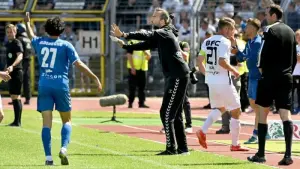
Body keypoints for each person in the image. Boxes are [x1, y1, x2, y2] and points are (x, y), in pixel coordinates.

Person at [24, 13, 102, 165]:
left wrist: (27, 22)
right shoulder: (66, 45)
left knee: (46, 122)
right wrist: (95, 77)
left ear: (46, 29)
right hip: (61, 85)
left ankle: (48, 158)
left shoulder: (40, 42)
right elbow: (79, 64)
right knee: (67, 120)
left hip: (44, 84)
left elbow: (31, 35)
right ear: (61, 30)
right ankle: (64, 148)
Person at [111, 7, 190, 155]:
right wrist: (126, 46)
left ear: (162, 20)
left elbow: (146, 34)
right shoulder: (164, 34)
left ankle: (171, 148)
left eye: (155, 16)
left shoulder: (164, 32)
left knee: (166, 113)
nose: (152, 18)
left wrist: (124, 34)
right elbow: (146, 44)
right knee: (175, 114)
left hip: (177, 76)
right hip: (176, 76)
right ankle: (182, 148)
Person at [247, 5, 296, 165]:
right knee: (285, 114)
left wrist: (262, 71)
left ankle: (261, 154)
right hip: (286, 76)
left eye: (267, 14)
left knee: (263, 112)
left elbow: (262, 54)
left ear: (274, 15)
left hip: (269, 76)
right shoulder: (290, 31)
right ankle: (288, 155)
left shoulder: (269, 30)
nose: (265, 17)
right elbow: (294, 57)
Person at [196, 17, 249, 151]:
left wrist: (206, 74)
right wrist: (234, 70)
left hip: (212, 81)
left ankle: (202, 130)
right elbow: (222, 61)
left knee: (221, 108)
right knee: (236, 110)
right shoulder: (224, 42)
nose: (234, 31)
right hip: (223, 81)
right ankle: (235, 144)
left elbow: (199, 60)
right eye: (232, 29)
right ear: (226, 29)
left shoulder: (207, 41)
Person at [160, 40, 193, 134]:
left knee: (185, 101)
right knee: (169, 100)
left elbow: (186, 56)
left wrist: (175, 48)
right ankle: (168, 124)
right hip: (171, 75)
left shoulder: (183, 44)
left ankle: (189, 125)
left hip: (182, 75)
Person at [5, 24, 24, 127]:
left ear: (15, 32)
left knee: (15, 96)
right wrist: (6, 69)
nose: (9, 34)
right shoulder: (8, 43)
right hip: (11, 72)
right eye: (7, 32)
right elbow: (8, 59)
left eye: (11, 32)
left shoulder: (17, 43)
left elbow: (20, 56)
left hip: (17, 72)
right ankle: (17, 121)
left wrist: (12, 66)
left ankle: (17, 122)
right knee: (15, 96)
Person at [126, 34, 151, 108]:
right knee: (132, 87)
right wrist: (133, 67)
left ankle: (141, 103)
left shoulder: (147, 43)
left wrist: (145, 52)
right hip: (134, 68)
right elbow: (129, 55)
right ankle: (130, 103)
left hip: (143, 68)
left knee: (142, 87)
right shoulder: (132, 42)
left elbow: (149, 57)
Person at [292, 29, 300, 114]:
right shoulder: (295, 47)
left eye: (298, 36)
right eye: (296, 36)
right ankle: (294, 107)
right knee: (293, 90)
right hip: (294, 72)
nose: (297, 38)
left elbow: (298, 59)